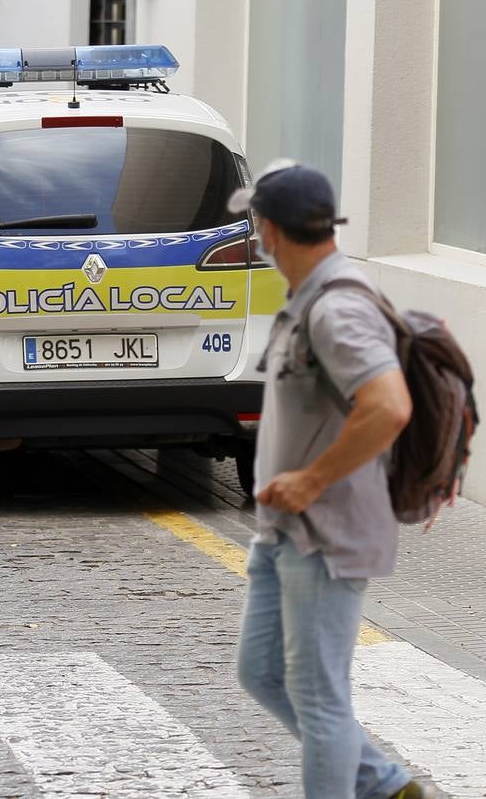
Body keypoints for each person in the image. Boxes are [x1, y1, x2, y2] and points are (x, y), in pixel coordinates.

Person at [230, 161, 433, 799]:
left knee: (320, 702)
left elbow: (389, 405)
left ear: (270, 229)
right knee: (262, 671)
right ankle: (387, 783)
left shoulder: (338, 307)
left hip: (326, 536)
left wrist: (311, 482)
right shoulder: (313, 294)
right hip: (286, 531)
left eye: (255, 224)